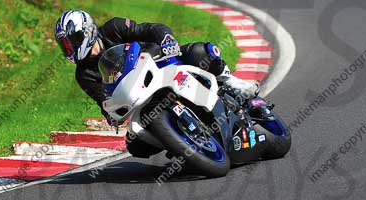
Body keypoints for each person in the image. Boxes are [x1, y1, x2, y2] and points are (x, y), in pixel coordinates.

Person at [54, 8, 261, 157]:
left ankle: (233, 82)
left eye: (73, 40)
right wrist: (111, 114)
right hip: (139, 97)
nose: (70, 48)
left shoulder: (113, 28)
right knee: (135, 146)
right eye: (65, 45)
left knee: (200, 52)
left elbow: (152, 29)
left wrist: (166, 40)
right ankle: (180, 145)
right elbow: (103, 99)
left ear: (87, 30)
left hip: (161, 63)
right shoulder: (84, 74)